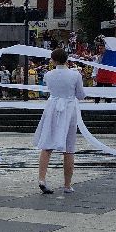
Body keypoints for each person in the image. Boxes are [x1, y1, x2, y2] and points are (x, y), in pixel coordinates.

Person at [35, 48, 87, 195]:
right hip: (69, 109)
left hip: (52, 107)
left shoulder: (48, 74)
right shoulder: (75, 74)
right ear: (67, 59)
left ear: (53, 60)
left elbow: (50, 89)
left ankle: (42, 178)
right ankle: (67, 184)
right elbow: (81, 94)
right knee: (69, 147)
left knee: (46, 144)